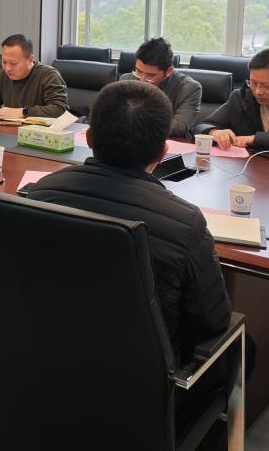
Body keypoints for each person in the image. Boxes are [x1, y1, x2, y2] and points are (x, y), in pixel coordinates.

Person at [29, 81, 237, 442]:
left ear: (88, 139)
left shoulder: (39, 192)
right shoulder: (185, 223)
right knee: (241, 347)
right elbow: (214, 322)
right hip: (141, 391)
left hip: (44, 367)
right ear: (163, 151)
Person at [0, 33, 69, 119]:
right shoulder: (3, 73)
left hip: (39, 134)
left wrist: (23, 112)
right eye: (4, 62)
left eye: (13, 63)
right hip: (10, 130)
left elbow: (60, 109)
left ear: (30, 60)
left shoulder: (49, 75)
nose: (7, 68)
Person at [120, 37, 201, 138]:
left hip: (168, 142)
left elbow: (178, 127)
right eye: (139, 71)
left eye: (150, 75)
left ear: (168, 71)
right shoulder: (126, 80)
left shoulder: (189, 88)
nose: (142, 80)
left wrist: (132, 124)